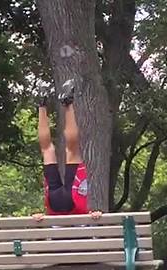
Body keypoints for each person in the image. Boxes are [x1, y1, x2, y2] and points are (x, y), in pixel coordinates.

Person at [32, 82, 102, 222]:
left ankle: (67, 103)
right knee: (47, 150)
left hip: (71, 203)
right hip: (56, 204)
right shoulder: (69, 239)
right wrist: (94, 216)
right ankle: (42, 105)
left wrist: (94, 216)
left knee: (72, 150)